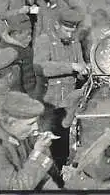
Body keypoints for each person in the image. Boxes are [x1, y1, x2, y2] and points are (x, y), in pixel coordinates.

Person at [33, 9, 88, 170]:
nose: (70, 35)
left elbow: (80, 66)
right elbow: (40, 67)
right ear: (57, 25)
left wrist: (84, 71)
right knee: (48, 145)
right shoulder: (45, 40)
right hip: (49, 101)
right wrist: (70, 66)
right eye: (67, 31)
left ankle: (62, 176)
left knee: (63, 145)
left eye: (73, 31)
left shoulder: (75, 43)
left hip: (68, 102)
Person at [0, 91, 60, 190]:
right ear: (12, 123)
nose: (36, 127)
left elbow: (41, 177)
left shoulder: (20, 135)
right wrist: (38, 152)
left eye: (36, 122)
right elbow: (17, 188)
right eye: (31, 124)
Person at [0, 14, 36, 97]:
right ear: (15, 34)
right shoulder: (7, 52)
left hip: (30, 91)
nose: (30, 38)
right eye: (27, 35)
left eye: (31, 34)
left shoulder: (24, 47)